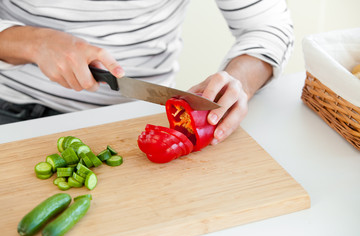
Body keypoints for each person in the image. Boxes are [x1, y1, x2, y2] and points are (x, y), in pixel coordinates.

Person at [0, 0, 293, 145]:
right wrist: (33, 43)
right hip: (11, 113)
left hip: (139, 120)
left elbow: (267, 26)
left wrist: (238, 80)